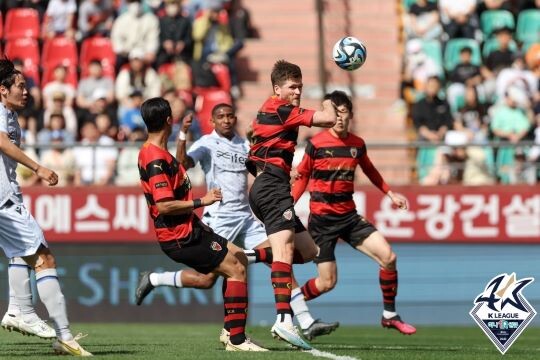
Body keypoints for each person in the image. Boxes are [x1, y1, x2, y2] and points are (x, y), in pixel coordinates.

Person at [136, 103, 338, 344]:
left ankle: (304, 320)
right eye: (220, 116)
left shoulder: (244, 144)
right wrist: (182, 136)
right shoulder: (206, 143)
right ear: (212, 121)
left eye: (230, 115)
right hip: (219, 216)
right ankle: (155, 280)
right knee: (209, 278)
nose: (226, 120)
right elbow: (184, 163)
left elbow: (257, 166)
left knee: (281, 253)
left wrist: (284, 171)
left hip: (245, 217)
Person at [136, 97, 266, 351]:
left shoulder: (160, 153)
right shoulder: (155, 159)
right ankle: (236, 339)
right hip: (180, 237)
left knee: (237, 260)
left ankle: (233, 334)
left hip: (192, 229)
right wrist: (201, 201)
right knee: (235, 269)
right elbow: (164, 206)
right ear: (168, 120)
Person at [291, 90, 417, 335]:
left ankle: (389, 314)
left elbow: (370, 170)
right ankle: (290, 306)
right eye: (333, 112)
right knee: (327, 283)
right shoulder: (316, 144)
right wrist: (290, 203)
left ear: (350, 114)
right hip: (322, 221)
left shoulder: (357, 144)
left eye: (343, 112)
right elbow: (303, 175)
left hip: (349, 217)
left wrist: (390, 194)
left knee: (389, 258)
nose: (338, 118)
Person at [0, 58, 92, 355]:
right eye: (20, 86)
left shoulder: (11, 115)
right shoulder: (0, 112)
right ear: (3, 90)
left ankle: (18, 309)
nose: (26, 92)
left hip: (8, 195)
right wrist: (38, 168)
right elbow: (1, 142)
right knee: (43, 259)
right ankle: (63, 335)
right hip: (3, 200)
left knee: (20, 253)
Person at [245, 59, 337, 349]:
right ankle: (284, 320)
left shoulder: (270, 109)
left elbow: (255, 139)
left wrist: (282, 167)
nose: (297, 91)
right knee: (284, 251)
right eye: (292, 87)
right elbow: (327, 119)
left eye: (300, 86)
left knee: (308, 251)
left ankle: (245, 257)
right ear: (277, 88)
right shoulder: (280, 107)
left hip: (271, 184)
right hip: (272, 188)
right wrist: (330, 102)